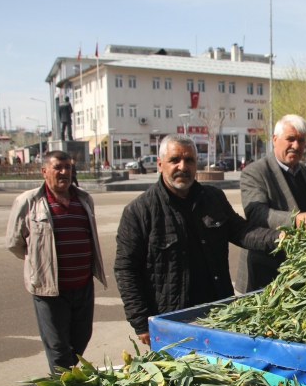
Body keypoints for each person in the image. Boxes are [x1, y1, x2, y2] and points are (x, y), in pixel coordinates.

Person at [114, 134, 282, 346]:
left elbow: (242, 231)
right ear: (159, 165)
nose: (182, 166)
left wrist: (281, 238)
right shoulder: (139, 211)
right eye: (174, 160)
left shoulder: (212, 198)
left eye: (189, 160)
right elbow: (125, 269)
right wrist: (140, 321)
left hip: (218, 314)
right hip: (172, 322)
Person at [6, 150, 107, 373]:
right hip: (49, 291)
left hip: (83, 286)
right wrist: (38, 262)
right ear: (44, 171)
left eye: (67, 167)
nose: (64, 172)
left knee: (81, 339)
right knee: (58, 347)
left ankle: (65, 377)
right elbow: (14, 242)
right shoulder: (28, 202)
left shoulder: (84, 199)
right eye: (57, 167)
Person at [235, 115, 306, 294]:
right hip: (266, 269)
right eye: (290, 139)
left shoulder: (305, 173)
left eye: (301, 140)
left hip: (300, 269)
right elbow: (256, 213)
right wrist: (295, 220)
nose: (296, 145)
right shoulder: (255, 172)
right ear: (275, 140)